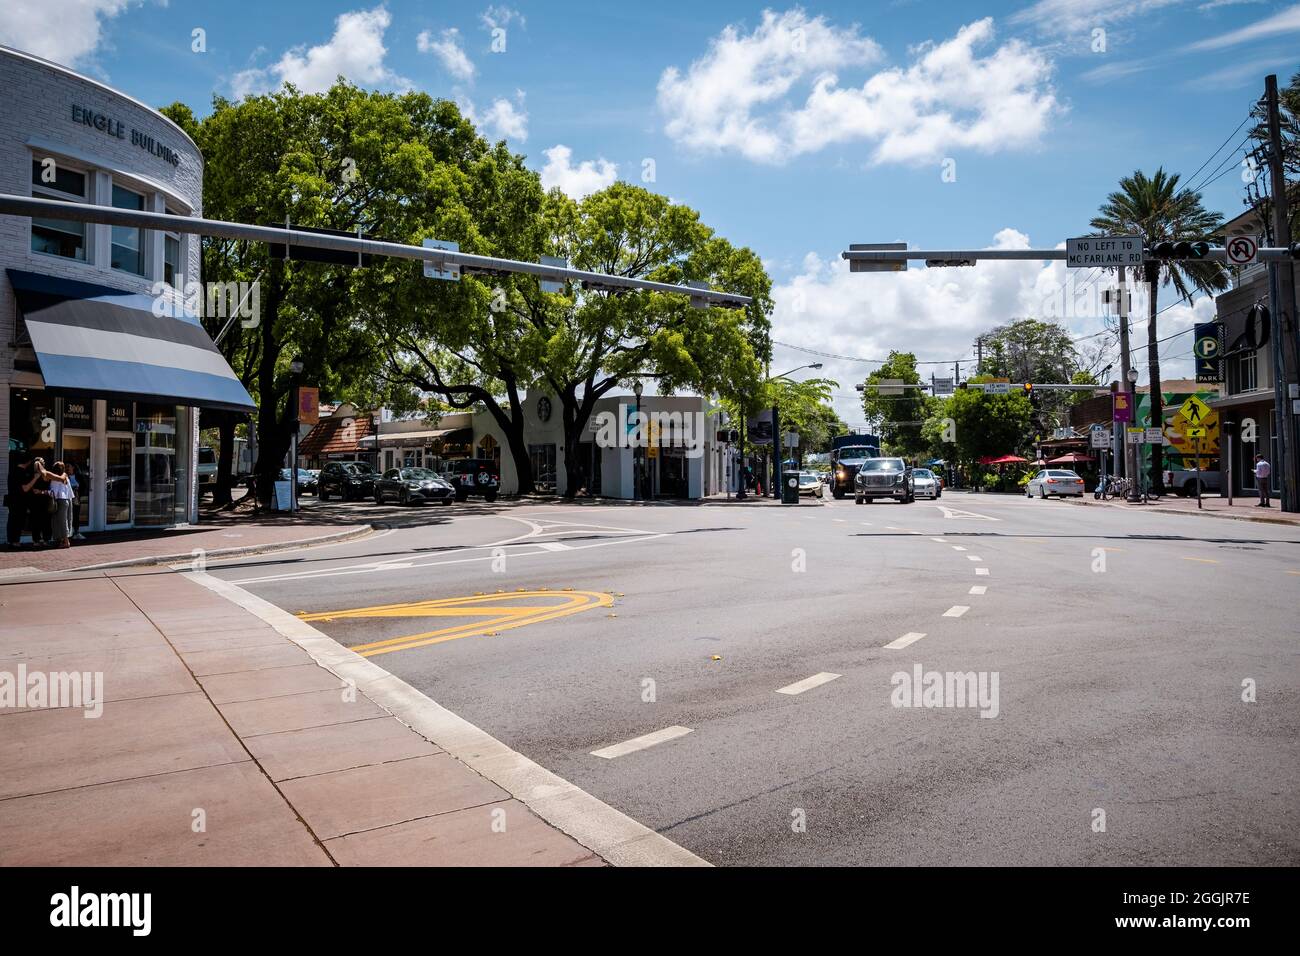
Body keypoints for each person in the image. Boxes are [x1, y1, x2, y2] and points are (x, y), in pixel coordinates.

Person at [38, 460, 74, 548]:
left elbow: (53, 492)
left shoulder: (55, 479)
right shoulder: (65, 476)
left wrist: (41, 492)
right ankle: (63, 540)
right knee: (66, 520)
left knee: (60, 521)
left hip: (60, 501)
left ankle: (66, 541)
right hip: (68, 500)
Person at [5, 453, 32, 549]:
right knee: (18, 521)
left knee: (12, 520)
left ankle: (11, 540)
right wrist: (35, 479)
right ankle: (15, 541)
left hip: (12, 500)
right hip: (20, 501)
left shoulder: (12, 471)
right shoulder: (22, 472)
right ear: (28, 462)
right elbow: (25, 488)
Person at [23, 456, 51, 546]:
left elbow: (51, 489)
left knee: (44, 520)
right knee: (36, 521)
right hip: (34, 501)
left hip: (44, 500)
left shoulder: (46, 475)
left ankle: (45, 539)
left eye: (40, 464)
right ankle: (37, 540)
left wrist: (40, 491)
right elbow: (27, 487)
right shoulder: (31, 475)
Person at [66, 463, 84, 540]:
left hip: (76, 498)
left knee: (76, 515)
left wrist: (79, 492)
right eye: (66, 467)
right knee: (68, 516)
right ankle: (68, 533)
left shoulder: (78, 476)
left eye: (69, 466)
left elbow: (83, 485)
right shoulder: (65, 476)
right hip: (68, 498)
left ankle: (76, 532)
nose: (67, 468)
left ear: (73, 467)